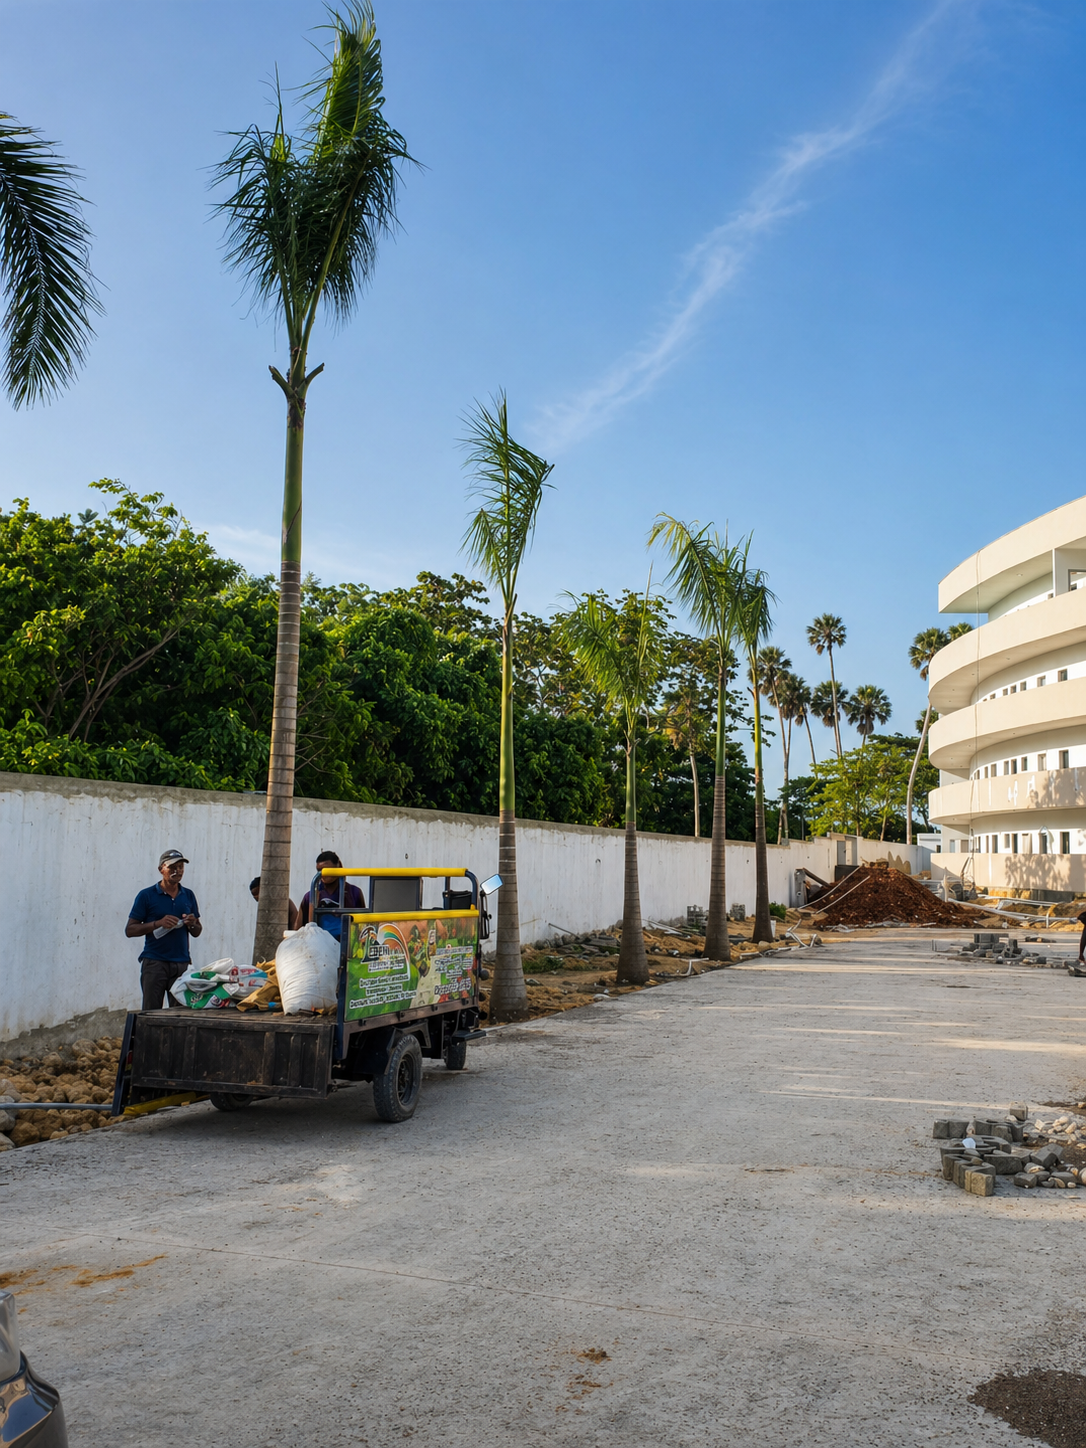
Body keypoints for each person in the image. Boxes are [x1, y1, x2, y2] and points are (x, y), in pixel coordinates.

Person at [125, 850, 203, 1009]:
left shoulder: (188, 895)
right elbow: (130, 930)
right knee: (151, 1012)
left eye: (181, 867)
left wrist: (192, 923)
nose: (178, 871)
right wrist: (158, 923)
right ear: (161, 869)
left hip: (181, 964)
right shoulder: (146, 895)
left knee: (180, 1013)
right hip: (155, 963)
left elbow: (197, 931)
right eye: (173, 867)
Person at [297, 850, 363, 941]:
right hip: (320, 946)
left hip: (346, 946)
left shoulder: (354, 893)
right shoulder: (310, 896)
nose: (323, 873)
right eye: (319, 870)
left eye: (326, 869)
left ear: (338, 866)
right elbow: (299, 929)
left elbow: (363, 926)